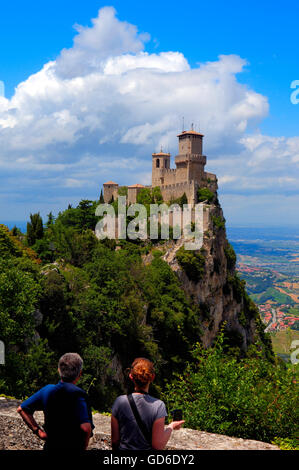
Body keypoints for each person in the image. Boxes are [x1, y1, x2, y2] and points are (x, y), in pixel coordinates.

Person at [17, 352, 94, 451]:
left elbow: (22, 409)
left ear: (59, 370)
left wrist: (38, 432)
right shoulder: (79, 395)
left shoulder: (47, 390)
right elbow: (86, 428)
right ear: (80, 374)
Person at [111, 357, 184, 450]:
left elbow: (115, 441)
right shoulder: (159, 406)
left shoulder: (119, 402)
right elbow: (157, 446)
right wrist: (171, 426)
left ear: (131, 376)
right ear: (152, 377)